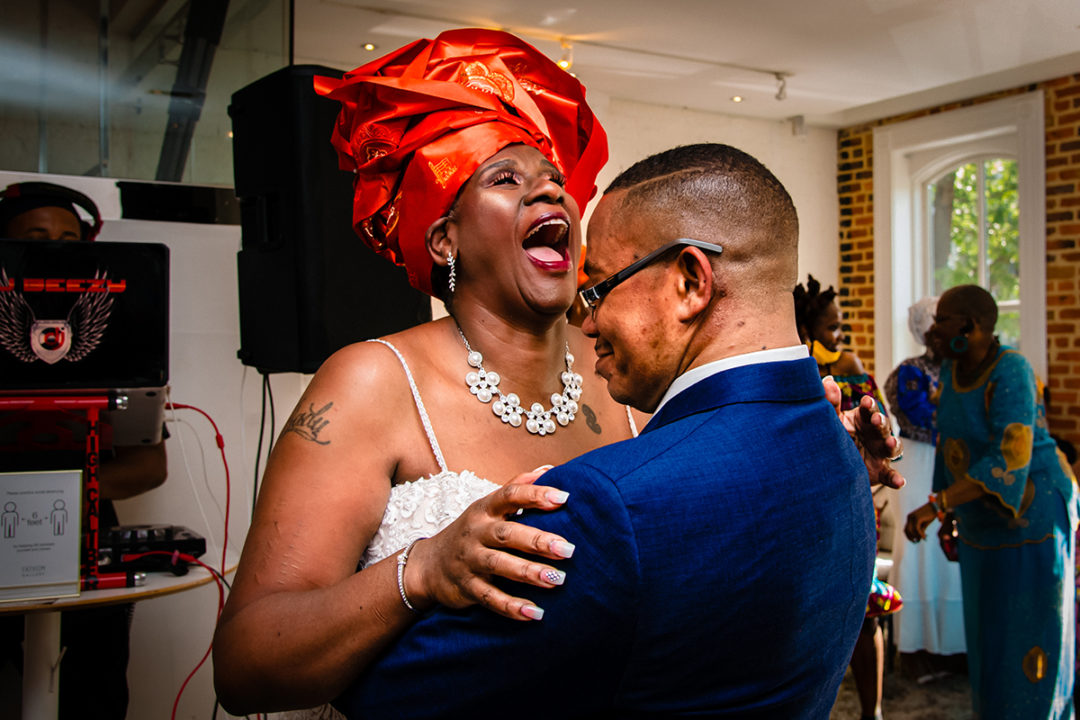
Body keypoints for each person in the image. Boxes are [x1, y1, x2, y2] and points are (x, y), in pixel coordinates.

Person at [213, 33, 900, 718]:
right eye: (506, 178)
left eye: (553, 179)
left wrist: (817, 463)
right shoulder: (370, 380)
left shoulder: (631, 375)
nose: (549, 190)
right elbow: (246, 667)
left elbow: (705, 530)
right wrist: (419, 571)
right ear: (444, 237)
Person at [318, 142, 880, 718]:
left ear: (690, 283)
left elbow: (392, 696)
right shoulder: (839, 447)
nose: (588, 319)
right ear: (445, 237)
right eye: (506, 178)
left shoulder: (606, 507)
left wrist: (420, 574)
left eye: (600, 287)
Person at [0, 181, 168, 718]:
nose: (58, 246)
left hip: (88, 543)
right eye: (38, 235)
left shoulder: (120, 344)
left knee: (94, 695)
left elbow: (150, 464)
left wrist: (57, 499)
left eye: (71, 237)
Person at [905, 284, 1078, 720]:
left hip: (1033, 517)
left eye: (942, 320)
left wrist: (937, 505)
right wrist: (949, 512)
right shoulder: (951, 370)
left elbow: (1009, 456)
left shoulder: (1012, 369)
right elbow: (950, 444)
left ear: (971, 325)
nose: (933, 330)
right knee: (990, 639)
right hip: (982, 522)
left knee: (1030, 636)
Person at [794, 274, 900, 720]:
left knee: (864, 611)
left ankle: (871, 711)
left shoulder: (850, 365)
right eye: (832, 328)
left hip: (847, 498)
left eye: (840, 328)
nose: (839, 336)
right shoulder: (792, 368)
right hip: (800, 506)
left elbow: (877, 426)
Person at [884, 297, 966, 670]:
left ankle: (956, 644)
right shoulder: (909, 372)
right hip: (918, 463)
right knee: (919, 550)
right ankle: (917, 645)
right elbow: (923, 415)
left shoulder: (962, 370)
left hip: (954, 461)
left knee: (952, 553)